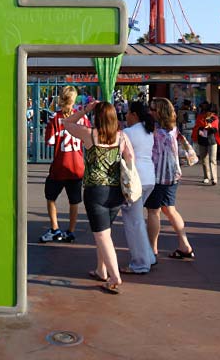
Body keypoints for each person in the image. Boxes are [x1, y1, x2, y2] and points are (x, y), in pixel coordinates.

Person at [63, 100, 135, 294]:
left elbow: (66, 124)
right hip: (116, 191)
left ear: (97, 117)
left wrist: (84, 110)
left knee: (102, 234)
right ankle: (101, 270)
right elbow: (130, 160)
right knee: (105, 233)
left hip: (96, 191)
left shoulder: (89, 134)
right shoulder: (122, 137)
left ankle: (114, 276)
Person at [146, 97, 195, 261]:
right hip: (173, 175)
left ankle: (152, 250)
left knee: (153, 211)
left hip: (158, 176)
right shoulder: (173, 129)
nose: (149, 111)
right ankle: (184, 245)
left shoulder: (156, 132)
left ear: (158, 112)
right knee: (170, 209)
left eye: (152, 109)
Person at [40, 86, 87, 244]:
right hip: (77, 166)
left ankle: (55, 228)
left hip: (60, 165)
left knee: (51, 197)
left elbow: (50, 141)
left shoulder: (56, 119)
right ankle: (71, 231)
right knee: (74, 200)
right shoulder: (81, 118)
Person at [121, 100, 157, 275]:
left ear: (134, 114)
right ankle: (148, 256)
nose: (126, 116)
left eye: (128, 113)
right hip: (149, 178)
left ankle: (141, 263)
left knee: (133, 223)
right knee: (138, 221)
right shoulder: (148, 130)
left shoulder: (128, 132)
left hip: (136, 179)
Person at [194, 103, 220, 185]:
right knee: (204, 160)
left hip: (212, 141)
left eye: (212, 112)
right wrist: (202, 128)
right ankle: (206, 177)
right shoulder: (200, 117)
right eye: (209, 112)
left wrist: (210, 127)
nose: (211, 113)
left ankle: (214, 178)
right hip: (202, 140)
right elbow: (197, 127)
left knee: (213, 160)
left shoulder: (215, 118)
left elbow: (215, 130)